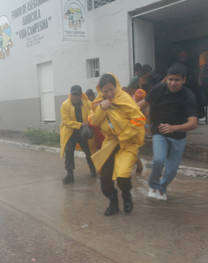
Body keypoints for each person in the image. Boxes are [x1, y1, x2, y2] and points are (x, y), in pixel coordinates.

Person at [89, 74, 145, 216]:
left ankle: (126, 196)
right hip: (110, 144)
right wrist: (102, 108)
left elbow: (138, 120)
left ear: (116, 86)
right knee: (105, 179)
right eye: (105, 91)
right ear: (100, 90)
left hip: (128, 143)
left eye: (111, 89)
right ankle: (113, 202)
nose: (108, 94)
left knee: (123, 176)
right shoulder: (100, 102)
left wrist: (124, 135)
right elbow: (94, 121)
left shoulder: (125, 99)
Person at [146, 63, 198, 200]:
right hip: (159, 132)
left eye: (177, 80)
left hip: (178, 137)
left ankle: (162, 188)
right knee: (158, 160)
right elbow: (145, 104)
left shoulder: (188, 96)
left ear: (184, 80)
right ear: (166, 79)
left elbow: (193, 123)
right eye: (170, 79)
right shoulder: (159, 89)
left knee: (172, 170)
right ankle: (153, 185)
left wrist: (174, 128)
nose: (173, 83)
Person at [60, 85, 96, 184]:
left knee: (88, 151)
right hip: (70, 131)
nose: (74, 97)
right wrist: (80, 124)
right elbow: (66, 121)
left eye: (77, 95)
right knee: (69, 151)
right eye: (73, 94)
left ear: (81, 95)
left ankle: (93, 170)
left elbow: (92, 112)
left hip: (83, 131)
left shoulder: (87, 103)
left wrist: (89, 121)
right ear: (70, 94)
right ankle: (69, 174)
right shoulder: (65, 105)